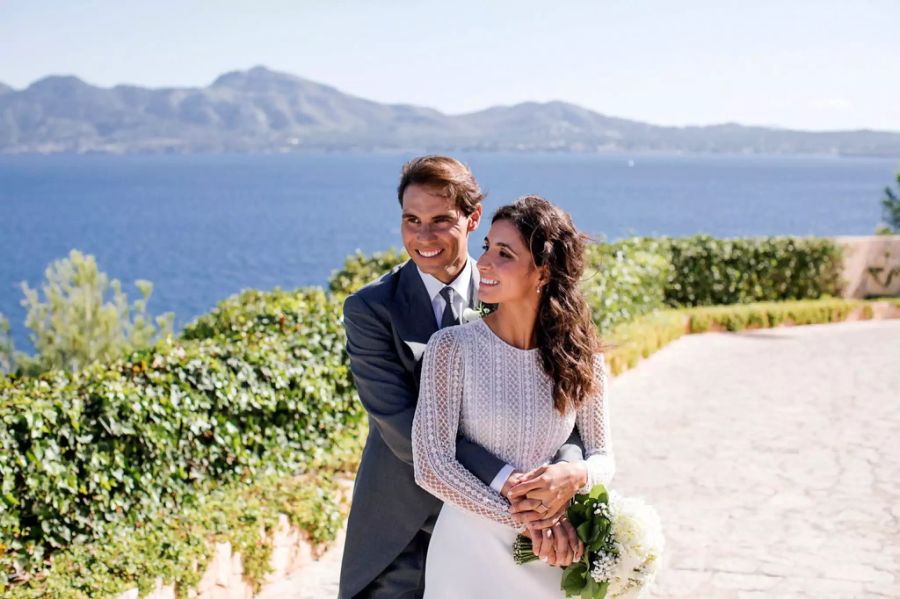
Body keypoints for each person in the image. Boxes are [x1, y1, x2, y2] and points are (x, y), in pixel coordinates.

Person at [339, 157, 588, 598]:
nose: (423, 236)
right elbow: (404, 430)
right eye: (411, 220)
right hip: (406, 530)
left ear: (473, 220)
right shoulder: (371, 309)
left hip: (507, 528)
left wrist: (566, 473)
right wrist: (513, 490)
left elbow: (562, 402)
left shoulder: (512, 288)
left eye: (440, 221)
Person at [412, 195, 615, 598]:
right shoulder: (451, 348)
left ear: (542, 272)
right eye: (486, 246)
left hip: (549, 556)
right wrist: (532, 521)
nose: (483, 262)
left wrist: (576, 475)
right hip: (470, 555)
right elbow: (431, 464)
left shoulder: (582, 358)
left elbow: (603, 456)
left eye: (504, 253)